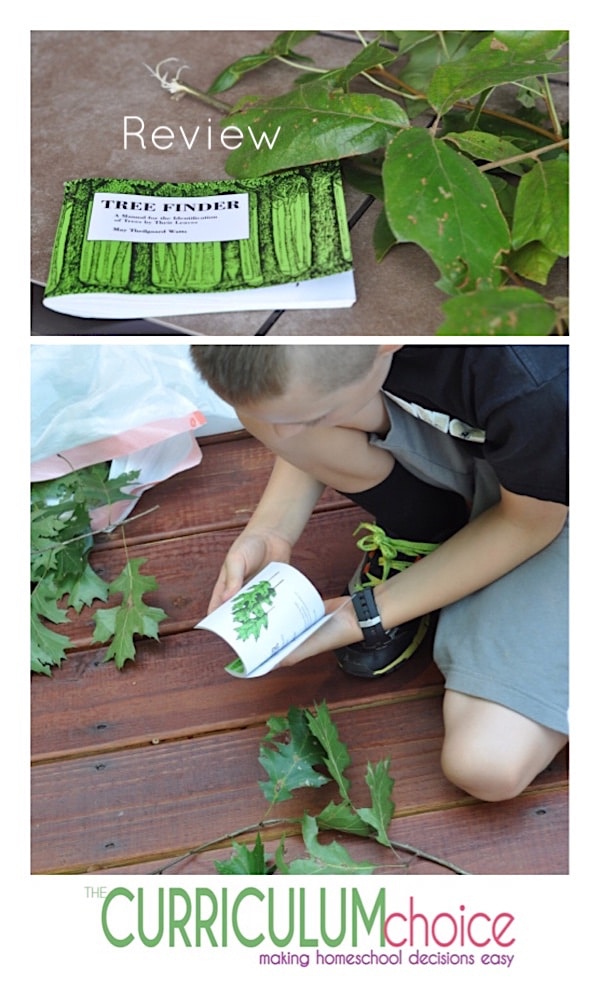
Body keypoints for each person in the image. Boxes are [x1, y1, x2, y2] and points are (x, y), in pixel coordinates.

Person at [190, 344, 568, 802]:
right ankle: (430, 529)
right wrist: (272, 529)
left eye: (313, 416)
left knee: (486, 764)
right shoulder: (344, 338)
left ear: (384, 344)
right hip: (497, 443)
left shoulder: (539, 385)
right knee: (269, 409)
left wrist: (362, 615)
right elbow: (286, 414)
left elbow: (527, 524)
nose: (280, 436)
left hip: (552, 500)